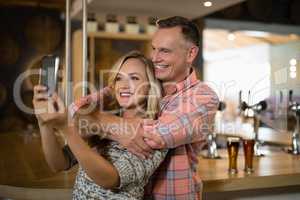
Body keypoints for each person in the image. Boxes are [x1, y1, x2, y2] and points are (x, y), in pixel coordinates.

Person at [72, 16, 219, 199]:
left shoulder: (203, 97)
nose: (155, 58)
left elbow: (152, 137)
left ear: (190, 54)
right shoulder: (141, 81)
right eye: (154, 49)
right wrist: (94, 120)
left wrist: (95, 120)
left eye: (164, 51)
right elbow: (76, 110)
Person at [33, 51, 168, 199]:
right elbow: (59, 164)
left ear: (150, 86)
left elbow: (110, 179)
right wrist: (44, 123)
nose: (123, 85)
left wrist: (67, 128)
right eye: (118, 78)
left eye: (134, 78)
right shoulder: (103, 121)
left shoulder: (154, 131)